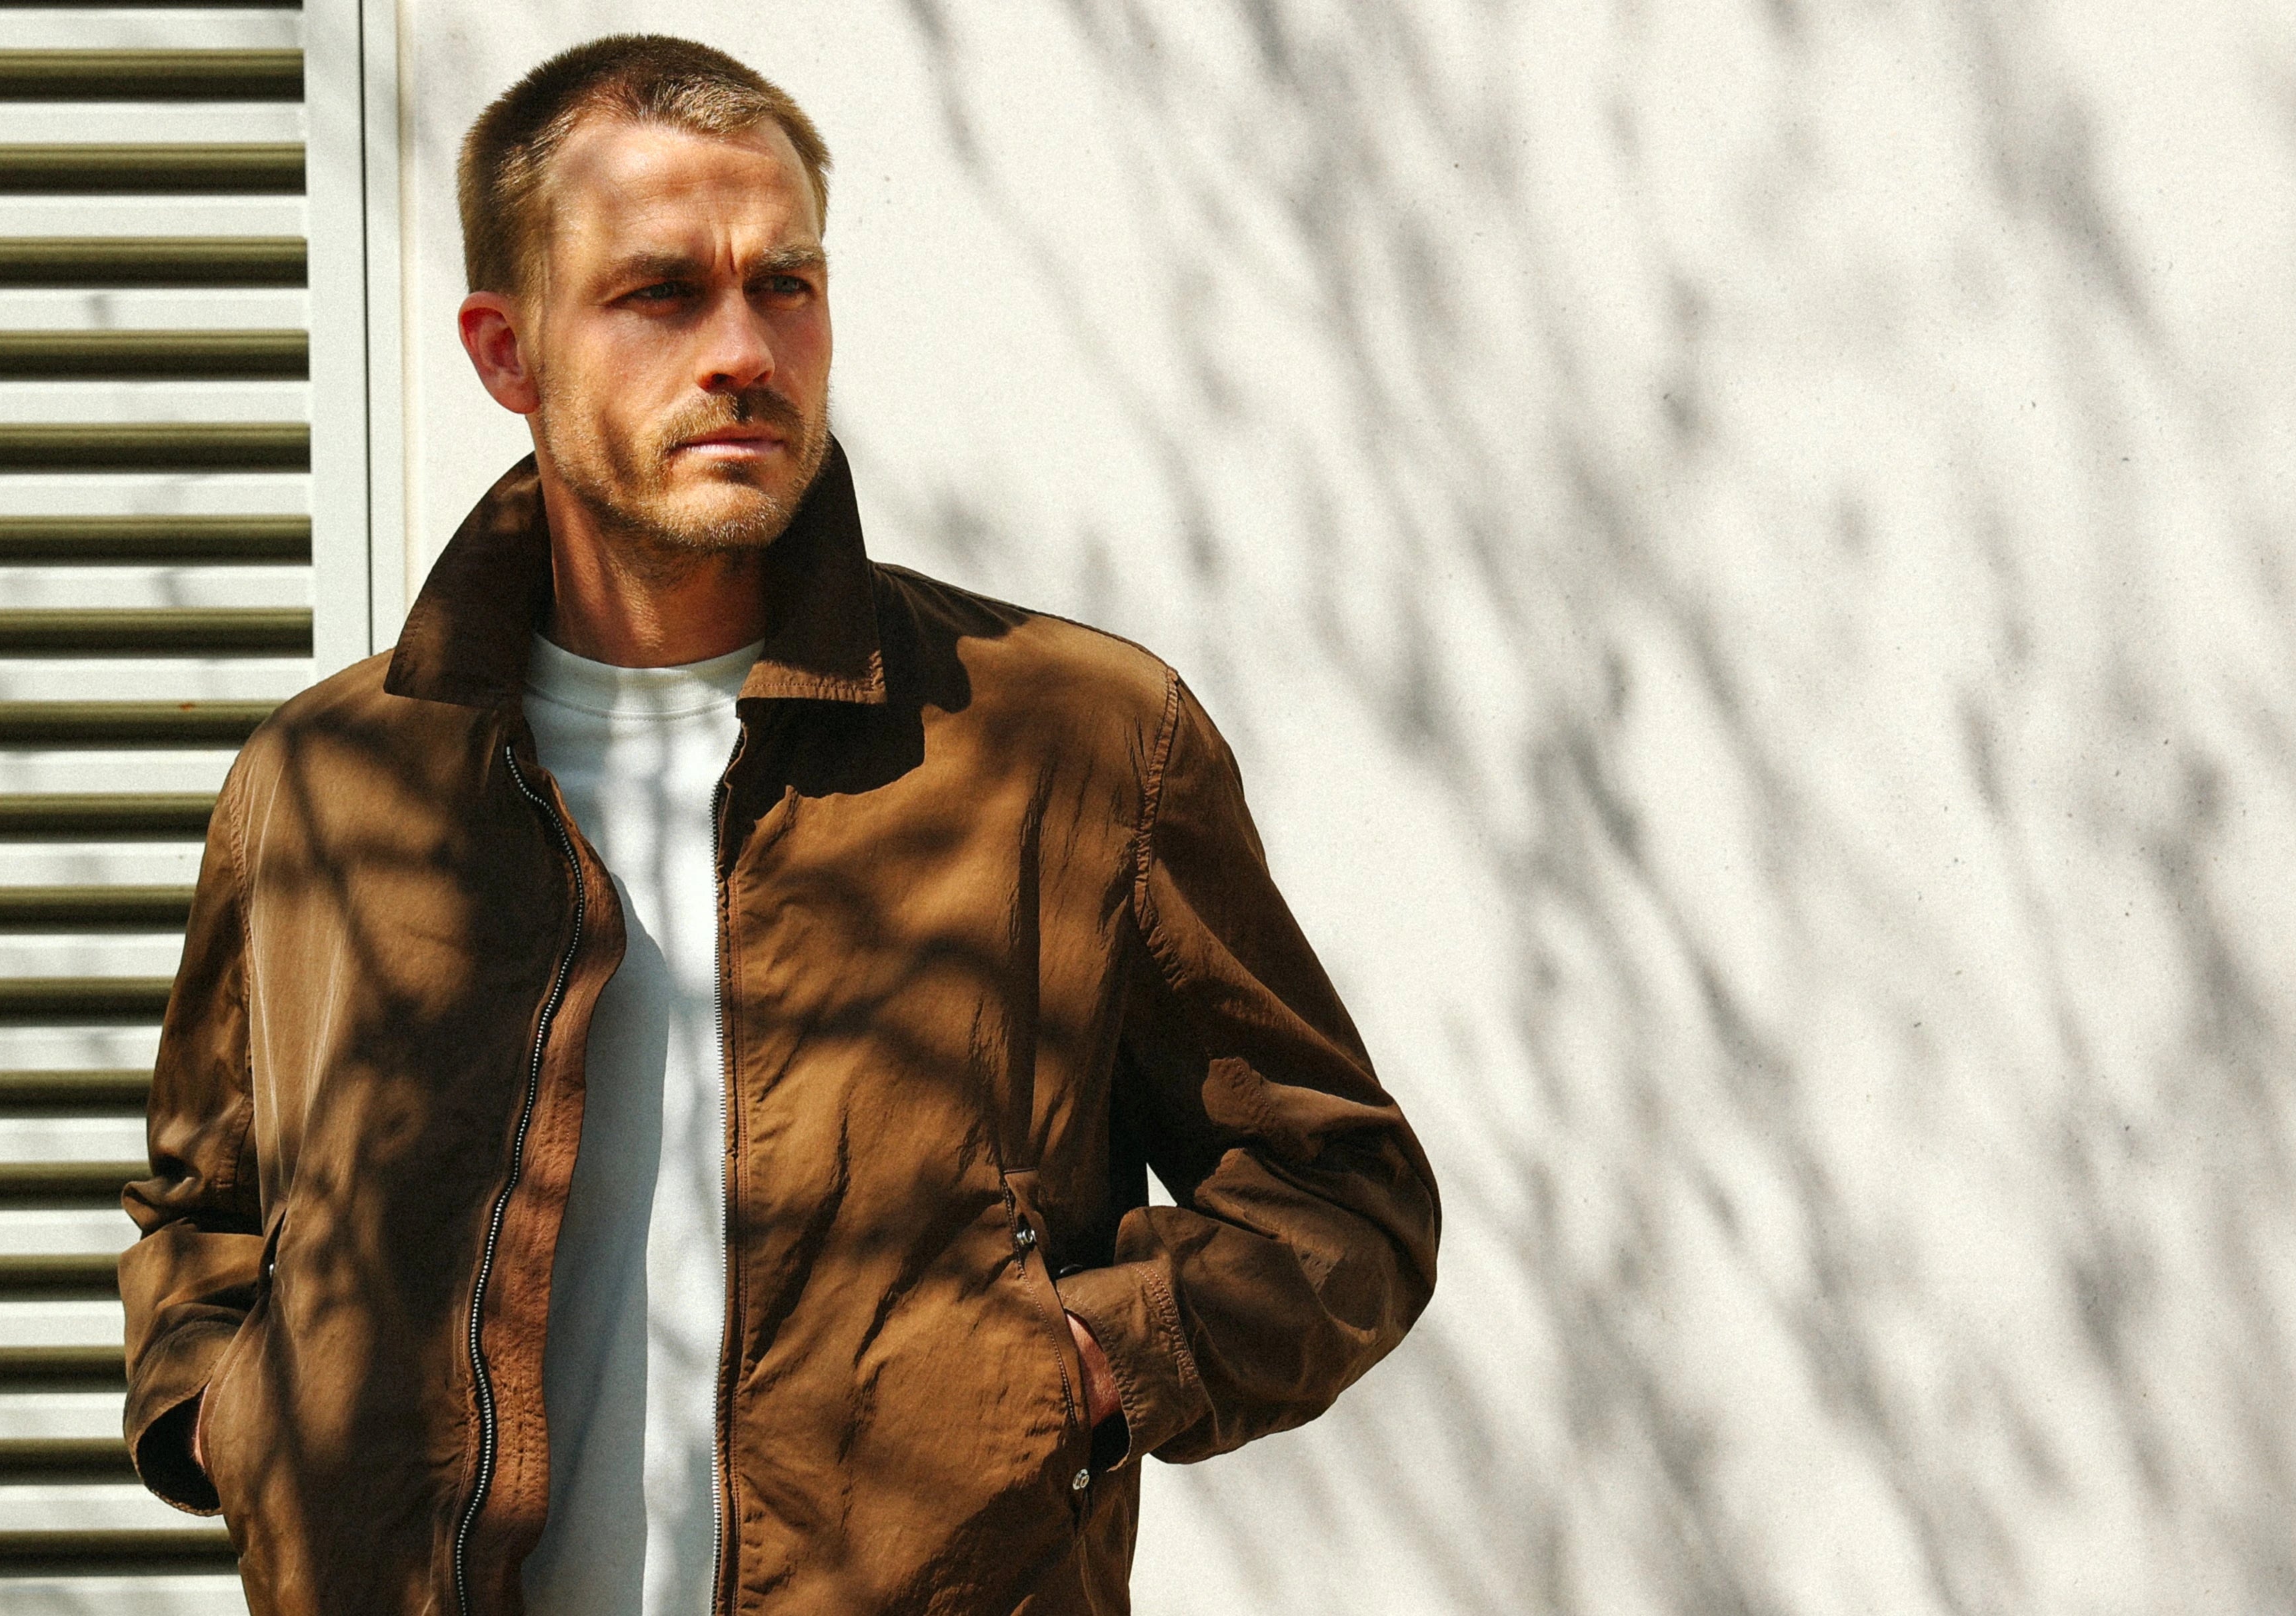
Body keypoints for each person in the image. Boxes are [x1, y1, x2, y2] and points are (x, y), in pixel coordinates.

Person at [116, 33, 1439, 1616]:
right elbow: (207, 1210)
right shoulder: (332, 781)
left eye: (785, 285)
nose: (743, 348)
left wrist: (1071, 1376)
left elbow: (1337, 1194)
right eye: (661, 293)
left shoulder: (1066, 742)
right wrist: (244, 1427)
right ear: (506, 352)